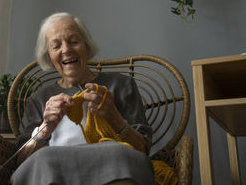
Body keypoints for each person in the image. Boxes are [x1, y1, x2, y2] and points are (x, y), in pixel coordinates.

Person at [11, 13, 155, 185]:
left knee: (121, 154)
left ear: (86, 47)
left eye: (73, 41)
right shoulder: (39, 99)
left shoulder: (122, 85)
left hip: (113, 163)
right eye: (56, 46)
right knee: (44, 159)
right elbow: (21, 161)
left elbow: (142, 150)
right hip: (57, 169)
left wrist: (114, 118)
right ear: (49, 56)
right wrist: (45, 128)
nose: (66, 50)